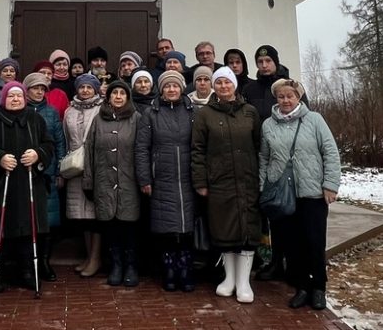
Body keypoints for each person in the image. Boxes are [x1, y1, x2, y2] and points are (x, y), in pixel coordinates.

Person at [260, 78, 341, 311]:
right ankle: (302, 286)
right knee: (293, 245)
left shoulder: (314, 120)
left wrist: (331, 185)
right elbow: (264, 158)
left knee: (314, 242)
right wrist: (263, 185)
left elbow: (330, 152)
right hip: (284, 194)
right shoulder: (268, 125)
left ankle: (319, 288)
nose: (285, 100)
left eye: (290, 96)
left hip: (312, 193)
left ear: (298, 98)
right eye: (281, 96)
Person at [0, 81, 54, 292]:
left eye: (19, 96)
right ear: (3, 98)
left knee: (28, 227)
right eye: (11, 96)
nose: (15, 99)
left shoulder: (36, 119)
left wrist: (38, 154)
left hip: (29, 183)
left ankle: (27, 270)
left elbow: (49, 144)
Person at [192, 67, 261, 304]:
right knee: (225, 229)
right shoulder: (205, 115)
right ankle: (229, 278)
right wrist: (200, 181)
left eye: (227, 82)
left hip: (247, 180)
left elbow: (259, 147)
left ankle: (244, 282)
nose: (223, 86)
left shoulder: (250, 112)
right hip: (219, 181)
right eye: (218, 82)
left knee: (247, 229)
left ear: (234, 85)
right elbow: (198, 150)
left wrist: (260, 177)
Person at [243, 44, 305, 281]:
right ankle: (275, 261)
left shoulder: (289, 86)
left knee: (293, 214)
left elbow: (304, 118)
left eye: (268, 61)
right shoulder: (249, 88)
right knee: (274, 213)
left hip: (290, 160)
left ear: (276, 62)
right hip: (263, 156)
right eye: (260, 62)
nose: (264, 65)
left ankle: (294, 263)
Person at [135, 70, 196, 292]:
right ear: (161, 89)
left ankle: (186, 266)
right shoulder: (151, 113)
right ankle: (169, 268)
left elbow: (199, 145)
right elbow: (142, 148)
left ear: (181, 88)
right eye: (167, 86)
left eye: (175, 86)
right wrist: (144, 177)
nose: (171, 90)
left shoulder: (192, 112)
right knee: (166, 226)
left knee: (187, 226)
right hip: (161, 176)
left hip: (188, 176)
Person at [82, 80, 141, 287]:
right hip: (104, 182)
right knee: (111, 225)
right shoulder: (98, 120)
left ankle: (131, 266)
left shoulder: (136, 118)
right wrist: (88, 181)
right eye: (114, 93)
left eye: (122, 93)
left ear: (127, 97)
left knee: (129, 226)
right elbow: (88, 150)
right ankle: (116, 265)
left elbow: (142, 151)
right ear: (108, 97)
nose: (118, 96)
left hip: (129, 182)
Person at [23, 71, 67, 281]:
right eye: (35, 88)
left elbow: (59, 142)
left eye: (42, 89)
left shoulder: (51, 112)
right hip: (24, 174)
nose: (39, 92)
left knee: (47, 222)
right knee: (27, 220)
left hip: (47, 175)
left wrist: (59, 170)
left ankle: (44, 262)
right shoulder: (19, 110)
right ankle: (28, 264)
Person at [63, 73, 104, 277]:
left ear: (96, 89)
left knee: (95, 216)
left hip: (95, 167)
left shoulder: (101, 109)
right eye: (82, 87)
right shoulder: (69, 111)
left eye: (90, 87)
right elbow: (64, 138)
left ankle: (96, 258)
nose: (85, 91)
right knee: (82, 217)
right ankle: (89, 256)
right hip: (75, 168)